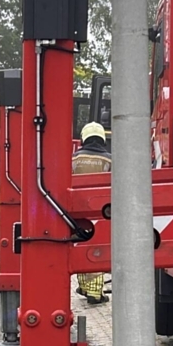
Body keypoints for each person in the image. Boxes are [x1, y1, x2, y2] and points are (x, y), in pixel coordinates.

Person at [72, 122, 112, 305]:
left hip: (76, 211)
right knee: (97, 247)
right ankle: (95, 293)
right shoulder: (111, 160)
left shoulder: (72, 159)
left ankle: (86, 287)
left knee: (80, 246)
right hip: (102, 211)